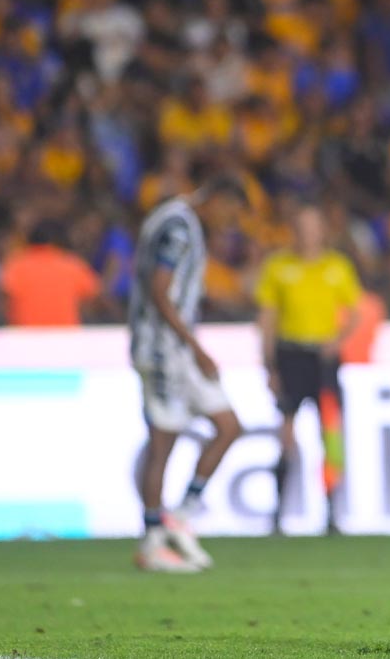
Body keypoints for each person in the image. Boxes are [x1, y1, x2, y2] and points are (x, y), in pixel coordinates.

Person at [128, 177, 246, 573]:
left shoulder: (174, 220)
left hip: (178, 347)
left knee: (228, 425)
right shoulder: (179, 227)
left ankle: (181, 514)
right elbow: (160, 291)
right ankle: (152, 541)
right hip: (163, 350)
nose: (227, 224)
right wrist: (196, 347)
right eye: (229, 214)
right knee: (163, 444)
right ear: (216, 198)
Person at [255, 203, 362, 535]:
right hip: (291, 355)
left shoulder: (337, 266)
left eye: (313, 227)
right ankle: (276, 514)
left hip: (324, 358)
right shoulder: (278, 266)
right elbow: (267, 319)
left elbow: (356, 312)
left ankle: (330, 513)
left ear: (322, 231)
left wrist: (339, 339)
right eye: (301, 227)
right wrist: (269, 365)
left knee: (329, 434)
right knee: (286, 435)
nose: (307, 234)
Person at [0, 220, 101, 326]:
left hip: (26, 336)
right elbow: (94, 297)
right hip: (65, 336)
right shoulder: (73, 265)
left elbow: (5, 299)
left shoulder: (16, 264)